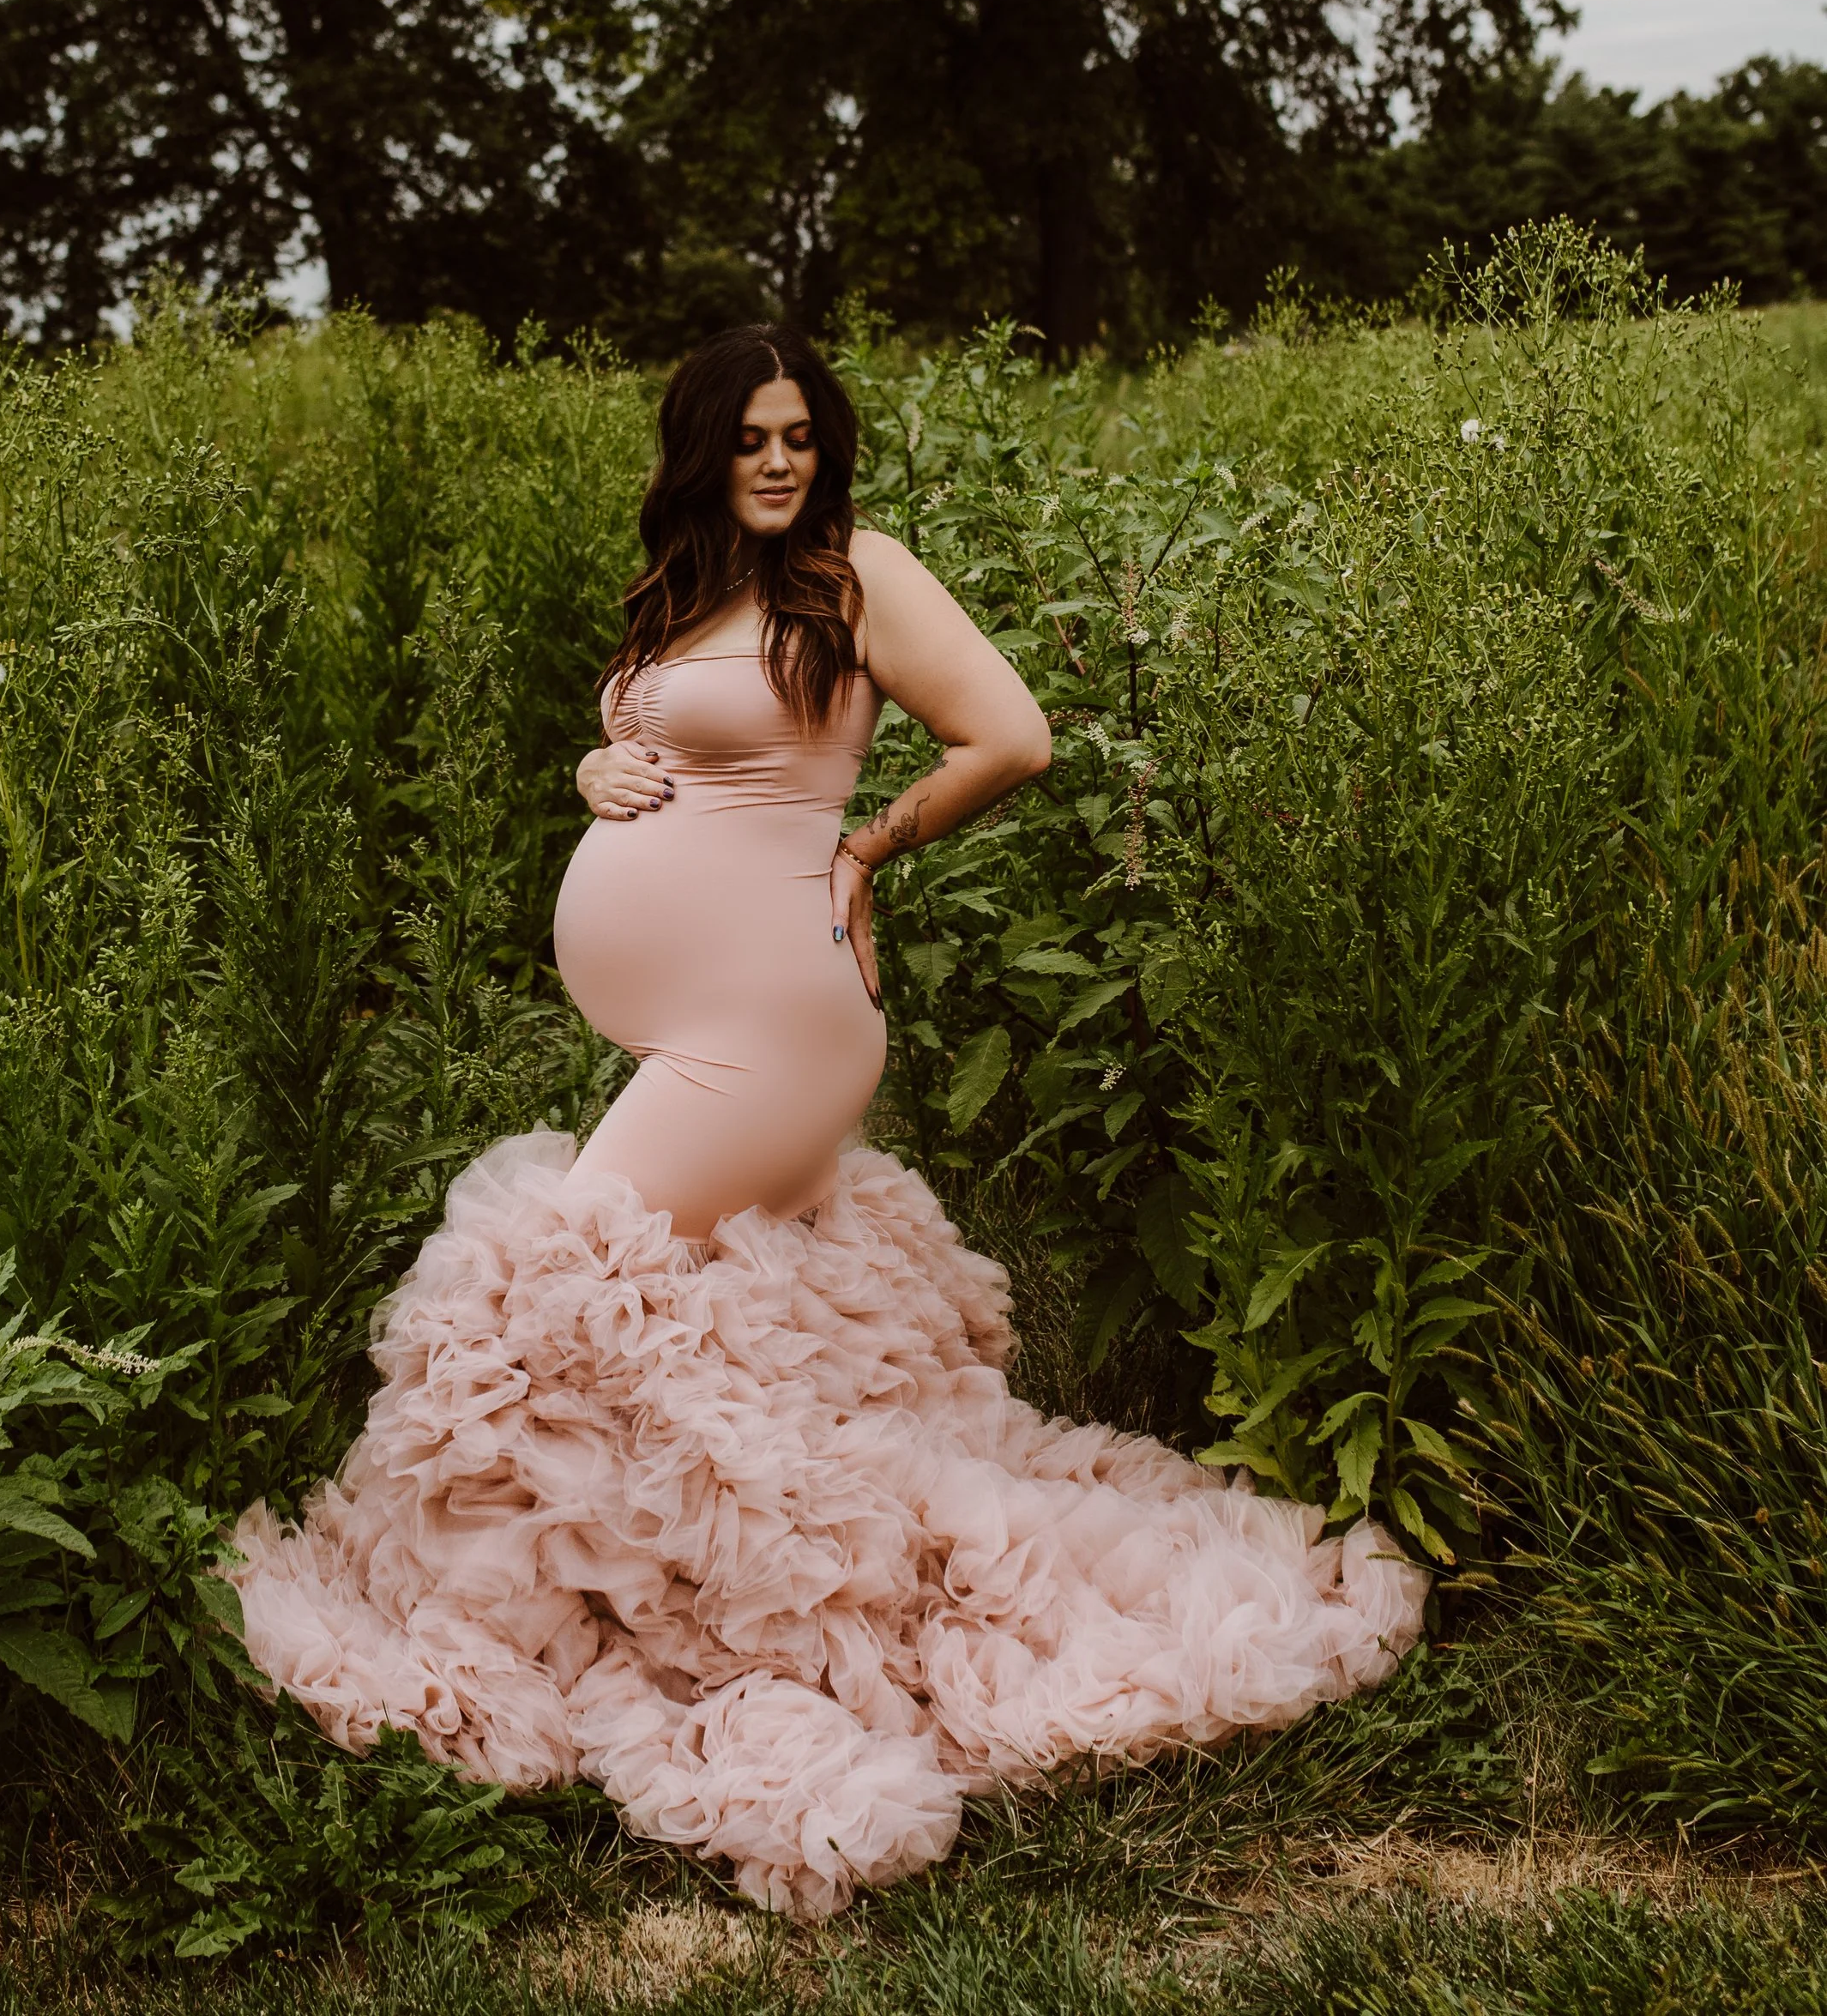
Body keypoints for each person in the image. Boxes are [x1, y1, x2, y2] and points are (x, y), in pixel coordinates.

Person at [230, 325, 1426, 1920]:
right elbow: (668, 745)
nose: (780, 461)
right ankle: (703, 1607)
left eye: (800, 435)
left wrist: (865, 852)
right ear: (702, 453)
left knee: (565, 1280)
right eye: (750, 439)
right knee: (703, 1331)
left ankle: (724, 1642)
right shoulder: (691, 594)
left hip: (777, 1026)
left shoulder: (856, 579)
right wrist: (597, 767)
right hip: (705, 1019)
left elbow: (1012, 737)